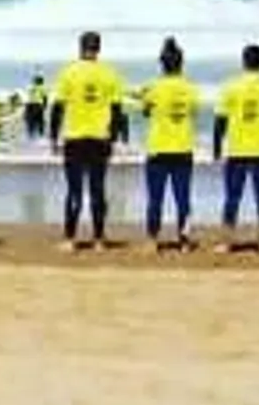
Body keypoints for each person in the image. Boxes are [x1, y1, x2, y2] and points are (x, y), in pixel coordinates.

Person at [48, 32, 126, 251]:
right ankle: (99, 239)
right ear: (98, 48)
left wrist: (53, 137)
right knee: (97, 190)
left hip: (74, 139)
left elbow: (57, 108)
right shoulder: (110, 74)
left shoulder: (69, 72)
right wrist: (113, 138)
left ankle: (70, 239)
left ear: (80, 47)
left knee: (74, 190)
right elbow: (117, 111)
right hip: (100, 139)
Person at [214, 42, 259, 252]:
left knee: (232, 198)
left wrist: (217, 148)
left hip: (237, 151)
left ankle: (226, 241)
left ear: (243, 61)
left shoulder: (231, 87)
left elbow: (220, 122)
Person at [136, 39, 202, 251]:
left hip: (158, 149)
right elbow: (193, 112)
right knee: (183, 197)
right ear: (181, 63)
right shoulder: (190, 88)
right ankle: (184, 241)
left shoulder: (154, 88)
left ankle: (152, 240)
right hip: (183, 149)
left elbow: (146, 112)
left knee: (155, 198)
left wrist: (146, 101)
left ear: (162, 64)